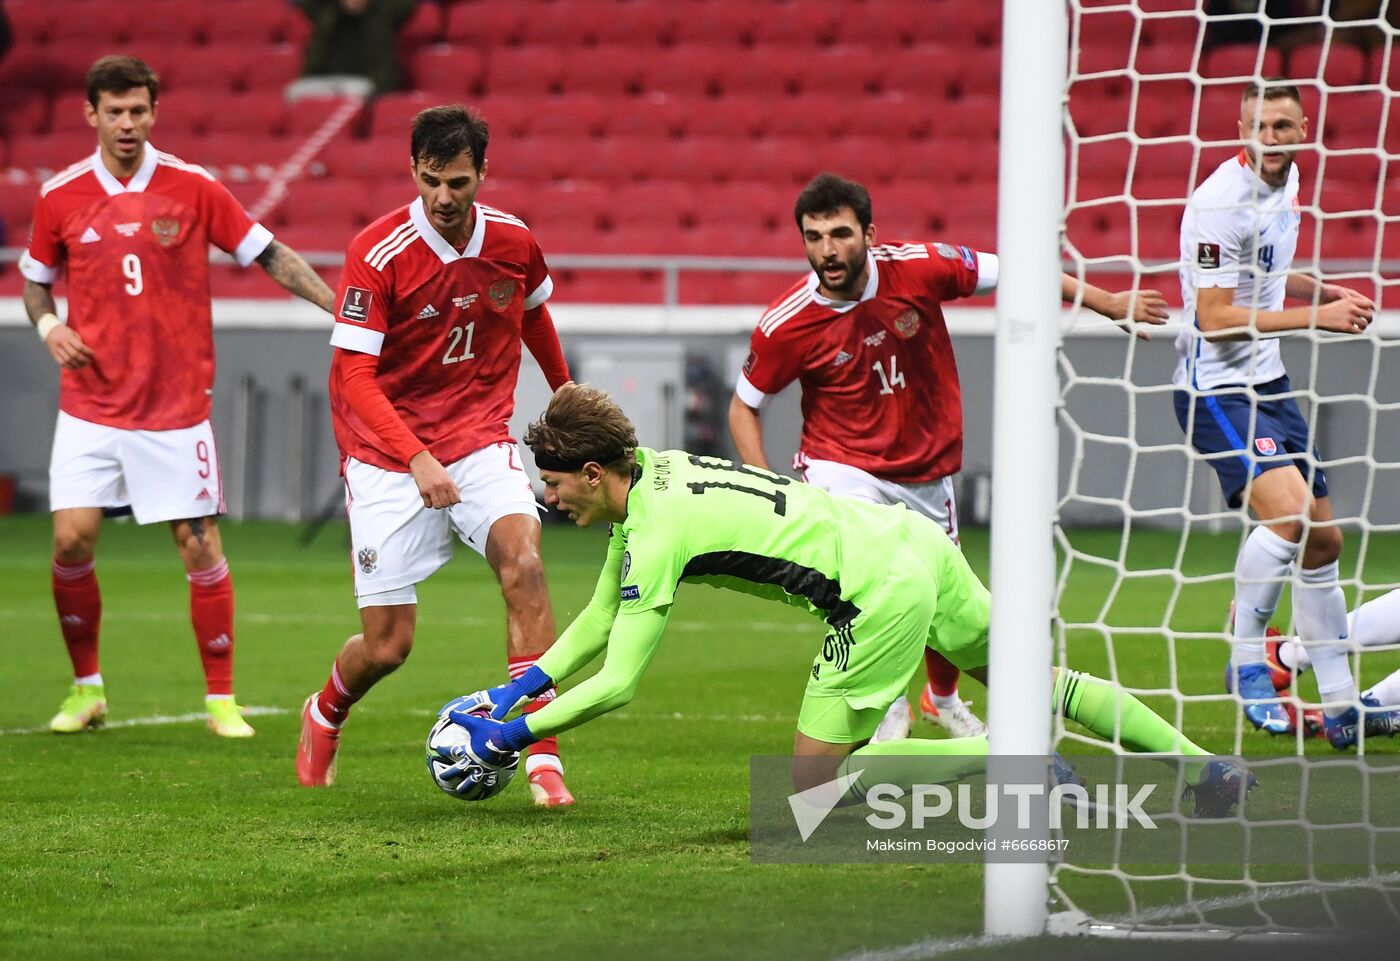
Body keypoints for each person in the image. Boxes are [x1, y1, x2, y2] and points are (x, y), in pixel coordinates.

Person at [446, 384, 1254, 819]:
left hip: (875, 594)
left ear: (593, 472)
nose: (549, 500)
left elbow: (620, 679)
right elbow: (597, 617)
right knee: (1041, 682)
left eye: (552, 484)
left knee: (811, 787)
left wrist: (512, 735)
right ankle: (1208, 767)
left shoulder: (656, 533)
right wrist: (517, 686)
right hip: (913, 545)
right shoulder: (653, 472)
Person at [729, 172, 1170, 740]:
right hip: (842, 466)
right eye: (813, 237)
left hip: (925, 468)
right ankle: (884, 703)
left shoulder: (920, 267)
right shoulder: (788, 322)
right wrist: (772, 489)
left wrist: (1108, 301)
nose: (826, 250)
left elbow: (1019, 269)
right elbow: (744, 407)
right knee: (872, 581)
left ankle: (941, 698)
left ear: (869, 232)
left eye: (839, 234)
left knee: (946, 595)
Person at [19, 56, 335, 739]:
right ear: (91, 114)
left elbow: (270, 252)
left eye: (138, 110)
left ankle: (221, 698)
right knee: (71, 539)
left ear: (153, 111)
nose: (126, 123)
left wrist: (338, 307)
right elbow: (35, 284)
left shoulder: (194, 188)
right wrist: (50, 327)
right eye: (114, 111)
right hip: (91, 404)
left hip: (173, 409)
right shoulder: (61, 196)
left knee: (198, 548)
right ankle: (87, 689)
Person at [295, 104, 576, 806]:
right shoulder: (378, 251)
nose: (443, 198)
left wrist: (565, 392)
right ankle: (325, 709)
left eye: (457, 182)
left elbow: (533, 312)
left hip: (479, 434)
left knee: (527, 565)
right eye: (430, 181)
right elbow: (355, 378)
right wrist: (416, 456)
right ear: (412, 170)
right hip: (387, 452)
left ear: (482, 172)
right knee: (388, 645)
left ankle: (542, 757)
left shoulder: (513, 239)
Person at [1174, 79, 1380, 749]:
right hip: (1216, 390)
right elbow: (1214, 316)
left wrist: (1319, 287)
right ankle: (1248, 657)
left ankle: (1343, 703)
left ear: (1303, 129)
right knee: (1289, 517)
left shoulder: (1286, 187)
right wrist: (1317, 316)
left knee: (1324, 541)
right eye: (1259, 126)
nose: (1271, 138)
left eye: (1283, 126)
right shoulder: (1217, 203)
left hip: (1272, 381)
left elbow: (1264, 269)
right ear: (1241, 128)